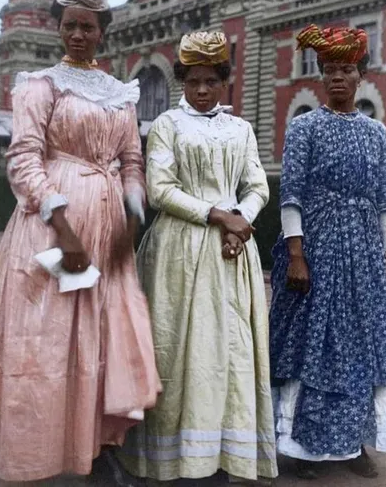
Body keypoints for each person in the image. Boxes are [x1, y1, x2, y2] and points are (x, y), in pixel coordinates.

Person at [0, 0, 161, 483]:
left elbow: (132, 160)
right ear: (58, 28)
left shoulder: (121, 94)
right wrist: (62, 226)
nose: (77, 34)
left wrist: (133, 212)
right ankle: (37, 449)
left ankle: (94, 446)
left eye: (86, 27)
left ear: (102, 32)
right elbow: (24, 157)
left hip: (108, 223)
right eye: (68, 25)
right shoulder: (39, 84)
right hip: (53, 226)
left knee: (102, 338)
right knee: (47, 339)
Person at [117, 31, 278, 483]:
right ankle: (175, 458)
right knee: (181, 348)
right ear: (181, 82)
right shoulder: (168, 124)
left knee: (228, 349)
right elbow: (160, 189)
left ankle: (222, 452)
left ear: (225, 81)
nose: (202, 90)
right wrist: (217, 216)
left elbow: (257, 186)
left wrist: (239, 221)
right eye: (193, 82)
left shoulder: (240, 129)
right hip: (180, 250)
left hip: (232, 253)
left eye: (211, 81)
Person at [269, 24, 386, 480]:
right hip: (314, 245)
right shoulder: (304, 127)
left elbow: (385, 199)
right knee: (312, 343)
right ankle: (298, 445)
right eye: (329, 70)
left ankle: (355, 444)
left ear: (360, 76)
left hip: (363, 253)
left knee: (362, 345)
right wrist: (296, 254)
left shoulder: (376, 134)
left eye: (346, 70)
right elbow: (291, 193)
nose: (336, 78)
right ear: (320, 77)